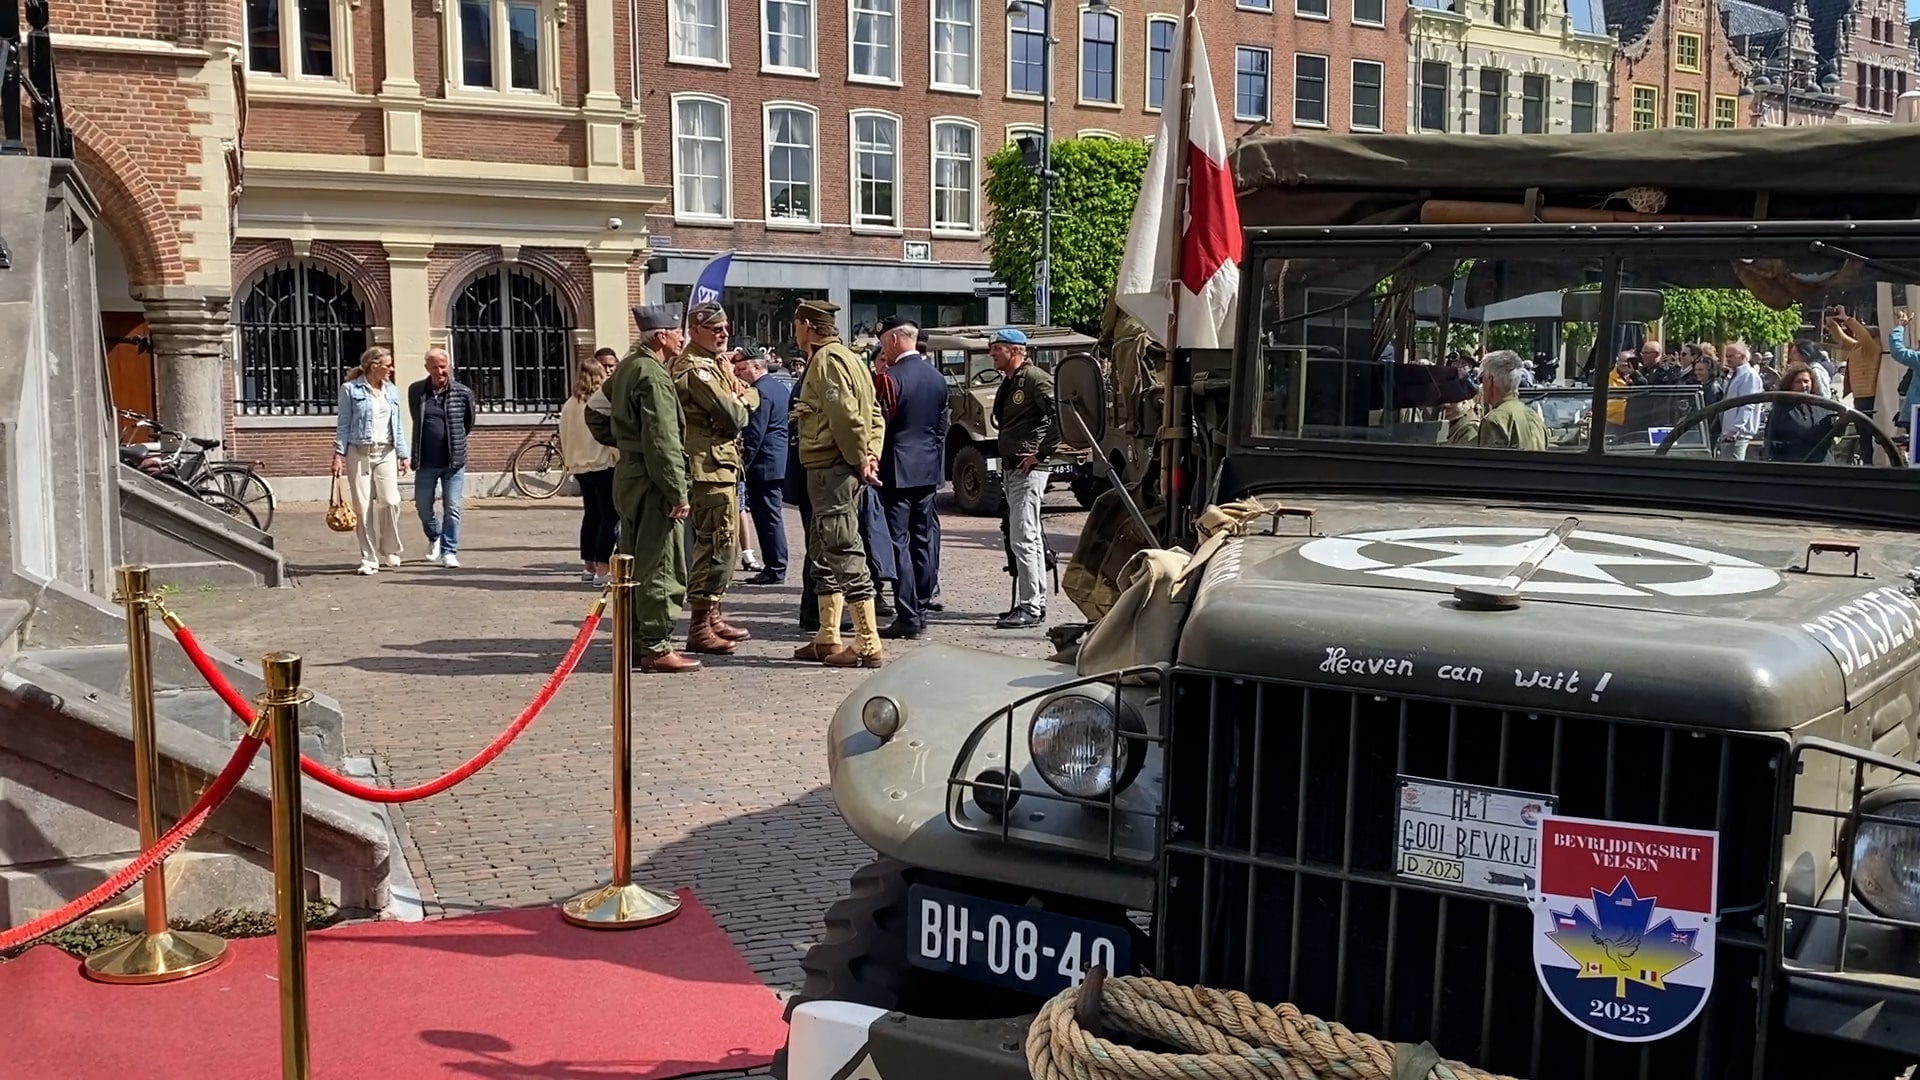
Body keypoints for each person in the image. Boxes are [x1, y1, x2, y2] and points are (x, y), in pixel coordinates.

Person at [585, 304, 700, 674]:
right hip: (653, 482)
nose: (682, 337)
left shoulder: (627, 367)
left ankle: (637, 641)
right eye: (677, 331)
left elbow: (594, 411)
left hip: (630, 475)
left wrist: (624, 441)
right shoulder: (652, 374)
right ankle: (656, 645)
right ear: (661, 336)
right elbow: (663, 439)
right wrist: (677, 491)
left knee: (634, 562)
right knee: (662, 563)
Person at [789, 298, 887, 667]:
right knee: (824, 549)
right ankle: (827, 635)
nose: (795, 332)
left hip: (832, 469)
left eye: (797, 325)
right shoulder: (851, 358)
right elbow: (874, 414)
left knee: (843, 548)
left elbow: (845, 416)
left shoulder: (827, 360)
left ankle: (867, 642)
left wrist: (860, 458)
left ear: (808, 326)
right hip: (835, 467)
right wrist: (871, 453)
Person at [672, 302, 755, 654]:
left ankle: (713, 615)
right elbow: (735, 415)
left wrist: (741, 395)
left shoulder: (715, 364)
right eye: (715, 329)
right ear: (695, 330)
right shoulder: (696, 369)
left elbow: (746, 394)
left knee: (724, 542)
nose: (724, 334)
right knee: (716, 542)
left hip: (721, 464)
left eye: (726, 328)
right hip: (707, 468)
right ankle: (699, 625)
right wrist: (742, 398)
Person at [873, 316, 947, 639]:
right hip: (927, 468)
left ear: (893, 340)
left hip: (897, 469)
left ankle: (907, 613)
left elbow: (880, 426)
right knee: (923, 539)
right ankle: (922, 605)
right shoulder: (937, 378)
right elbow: (941, 429)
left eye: (883, 344)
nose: (883, 352)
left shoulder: (890, 379)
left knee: (899, 541)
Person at [988, 328, 1056, 630]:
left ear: (1016, 350)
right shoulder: (1012, 381)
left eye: (998, 348)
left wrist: (1040, 454)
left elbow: (1061, 416)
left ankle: (1030, 608)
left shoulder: (1035, 379)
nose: (992, 354)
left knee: (1024, 538)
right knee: (1028, 537)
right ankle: (1035, 602)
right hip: (1014, 468)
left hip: (1028, 470)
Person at [332, 346, 410, 575]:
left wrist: (403, 454)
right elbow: (343, 424)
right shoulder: (350, 389)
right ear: (374, 366)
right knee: (362, 505)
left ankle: (390, 548)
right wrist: (338, 455)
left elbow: (397, 424)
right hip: (359, 451)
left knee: (391, 501)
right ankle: (369, 558)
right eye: (388, 365)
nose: (391, 369)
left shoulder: (391, 390)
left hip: (386, 451)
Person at [406, 346, 477, 568]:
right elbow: (416, 418)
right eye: (435, 367)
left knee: (452, 507)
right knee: (422, 506)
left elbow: (468, 423)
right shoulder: (416, 391)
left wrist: (455, 443)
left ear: (449, 366)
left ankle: (449, 551)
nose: (440, 371)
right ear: (427, 368)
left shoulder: (463, 393)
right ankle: (434, 535)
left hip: (453, 462)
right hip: (425, 461)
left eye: (443, 366)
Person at [561, 355, 619, 585]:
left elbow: (565, 435)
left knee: (591, 515)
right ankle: (603, 570)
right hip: (602, 464)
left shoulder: (569, 404)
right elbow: (609, 435)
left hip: (580, 467)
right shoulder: (600, 403)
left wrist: (570, 462)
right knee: (609, 517)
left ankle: (588, 566)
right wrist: (618, 457)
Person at [735, 347, 791, 586]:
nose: (738, 373)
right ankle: (776, 565)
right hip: (774, 461)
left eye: (742, 369)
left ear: (757, 367)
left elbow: (754, 433)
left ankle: (775, 567)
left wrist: (743, 465)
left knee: (767, 518)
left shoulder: (760, 392)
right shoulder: (778, 387)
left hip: (763, 464)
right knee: (771, 516)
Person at [1446, 350, 1548, 451]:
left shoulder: (1494, 420)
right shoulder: (1535, 417)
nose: (1481, 385)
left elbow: (1489, 460)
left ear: (1490, 380)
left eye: (1482, 378)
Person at [1763, 362, 1839, 463]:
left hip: (1823, 464)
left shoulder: (1823, 406)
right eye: (1798, 382)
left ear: (1812, 383)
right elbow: (1771, 441)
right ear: (1790, 384)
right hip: (1794, 464)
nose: (1803, 385)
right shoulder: (1781, 409)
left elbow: (1835, 432)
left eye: (1806, 381)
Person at [1718, 341, 1766, 461]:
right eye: (1727, 356)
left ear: (1743, 356)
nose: (1728, 359)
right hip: (1728, 432)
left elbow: (1748, 404)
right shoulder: (1735, 375)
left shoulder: (1749, 375)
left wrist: (1735, 428)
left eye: (1731, 356)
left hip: (1737, 434)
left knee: (1733, 466)